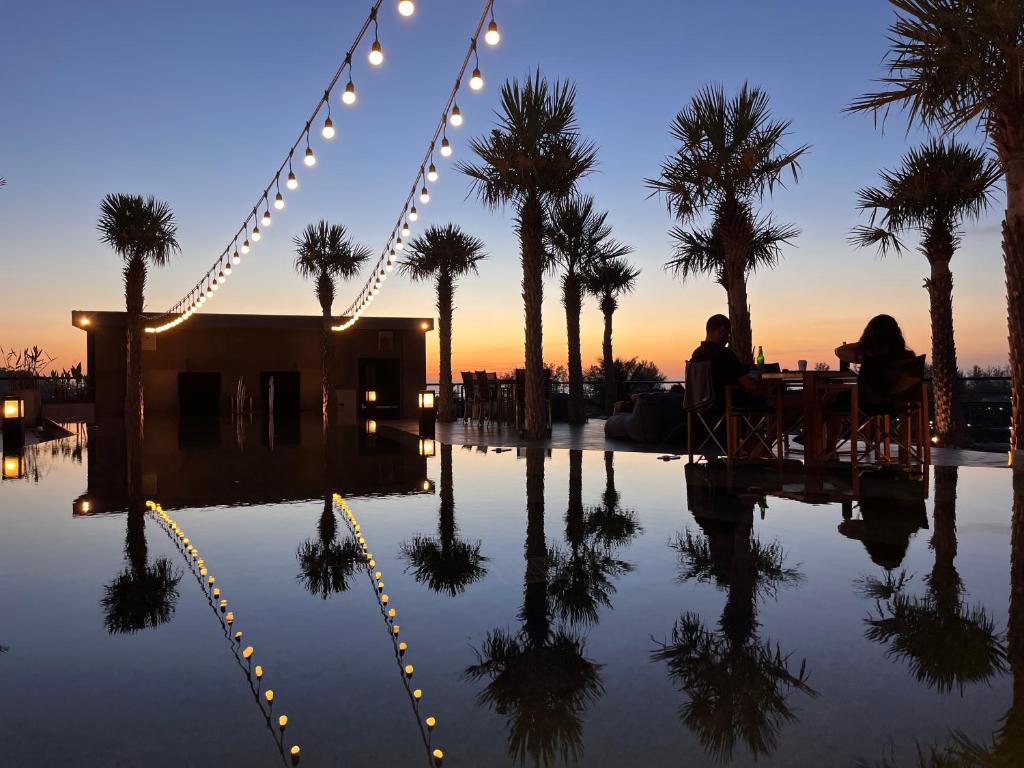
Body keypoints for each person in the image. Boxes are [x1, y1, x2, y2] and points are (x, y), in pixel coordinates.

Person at [689, 314, 764, 410]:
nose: (728, 339)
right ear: (721, 331)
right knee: (775, 400)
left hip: (701, 407)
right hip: (727, 405)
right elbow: (751, 385)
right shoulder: (724, 354)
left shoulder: (696, 354)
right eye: (728, 334)